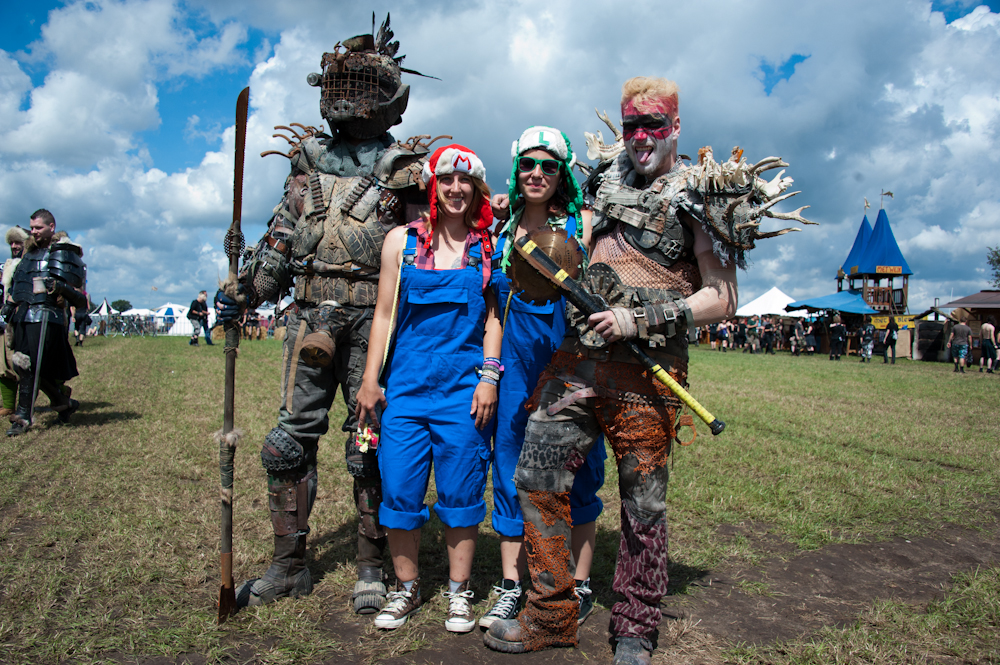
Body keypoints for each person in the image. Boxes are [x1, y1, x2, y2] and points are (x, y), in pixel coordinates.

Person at [483, 77, 807, 663]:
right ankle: (550, 613)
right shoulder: (603, 182)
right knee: (536, 475)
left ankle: (635, 625)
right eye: (633, 126)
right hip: (578, 362)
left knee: (643, 503)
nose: (641, 137)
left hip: (648, 374)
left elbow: (722, 297)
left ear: (675, 128)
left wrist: (637, 321)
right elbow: (563, 225)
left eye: (653, 126)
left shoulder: (699, 197)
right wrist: (519, 209)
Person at [214, 19, 437, 614]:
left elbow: (429, 255)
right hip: (308, 316)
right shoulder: (305, 166)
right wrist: (247, 287)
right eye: (344, 83)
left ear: (391, 98)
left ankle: (371, 566)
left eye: (364, 84)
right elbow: (282, 244)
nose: (351, 96)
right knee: (287, 445)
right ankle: (288, 565)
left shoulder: (409, 173)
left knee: (367, 444)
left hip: (374, 322)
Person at [355, 144, 499, 633]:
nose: (456, 190)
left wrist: (488, 376)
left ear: (477, 189)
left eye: (466, 183)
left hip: (464, 392)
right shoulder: (402, 242)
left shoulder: (489, 246)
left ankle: (459, 593)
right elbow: (384, 315)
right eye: (447, 181)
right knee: (398, 489)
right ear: (433, 186)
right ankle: (406, 587)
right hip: (407, 391)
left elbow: (496, 317)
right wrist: (371, 379)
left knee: (461, 493)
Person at [480, 127, 607, 630]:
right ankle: (513, 586)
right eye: (528, 165)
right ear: (516, 171)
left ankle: (579, 585)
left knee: (579, 459)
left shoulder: (586, 226)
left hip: (571, 353)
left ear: (562, 174)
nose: (537, 173)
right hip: (513, 355)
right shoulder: (498, 229)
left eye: (549, 166)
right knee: (509, 459)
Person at [4, 209, 85, 436]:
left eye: (38, 228)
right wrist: (7, 309)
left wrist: (59, 287)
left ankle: (22, 417)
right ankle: (63, 402)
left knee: (32, 365)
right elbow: (17, 287)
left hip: (48, 317)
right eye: (32, 228)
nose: (34, 232)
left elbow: (78, 297)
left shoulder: (62, 253)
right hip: (23, 316)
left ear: (51, 226)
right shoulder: (28, 254)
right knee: (24, 365)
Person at [0, 227, 29, 417]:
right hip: (7, 321)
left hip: (28, 319)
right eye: (11, 243)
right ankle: (9, 404)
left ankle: (59, 395)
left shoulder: (32, 263)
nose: (14, 246)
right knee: (4, 365)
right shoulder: (8, 265)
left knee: (32, 365)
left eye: (18, 242)